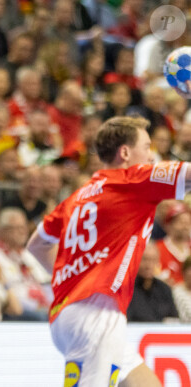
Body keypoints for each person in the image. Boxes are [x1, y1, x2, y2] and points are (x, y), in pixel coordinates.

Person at [27, 116, 191, 386]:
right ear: (125, 152)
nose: (151, 156)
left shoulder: (77, 196)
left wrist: (67, 277)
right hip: (97, 313)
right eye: (147, 147)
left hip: (69, 313)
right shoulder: (134, 179)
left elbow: (36, 244)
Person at [126, 241, 179, 323]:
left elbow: (173, 319)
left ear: (158, 262)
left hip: (160, 334)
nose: (149, 265)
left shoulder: (164, 289)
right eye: (144, 259)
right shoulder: (126, 288)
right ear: (135, 260)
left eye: (153, 260)